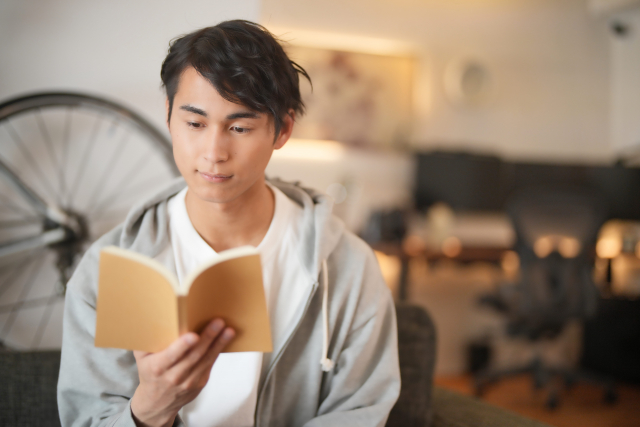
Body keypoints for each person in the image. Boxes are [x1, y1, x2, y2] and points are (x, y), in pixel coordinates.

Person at [57, 20, 400, 427]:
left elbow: (362, 412)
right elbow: (87, 418)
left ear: (283, 129)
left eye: (239, 127)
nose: (214, 152)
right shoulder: (108, 270)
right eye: (195, 124)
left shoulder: (348, 268)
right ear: (168, 117)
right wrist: (149, 408)